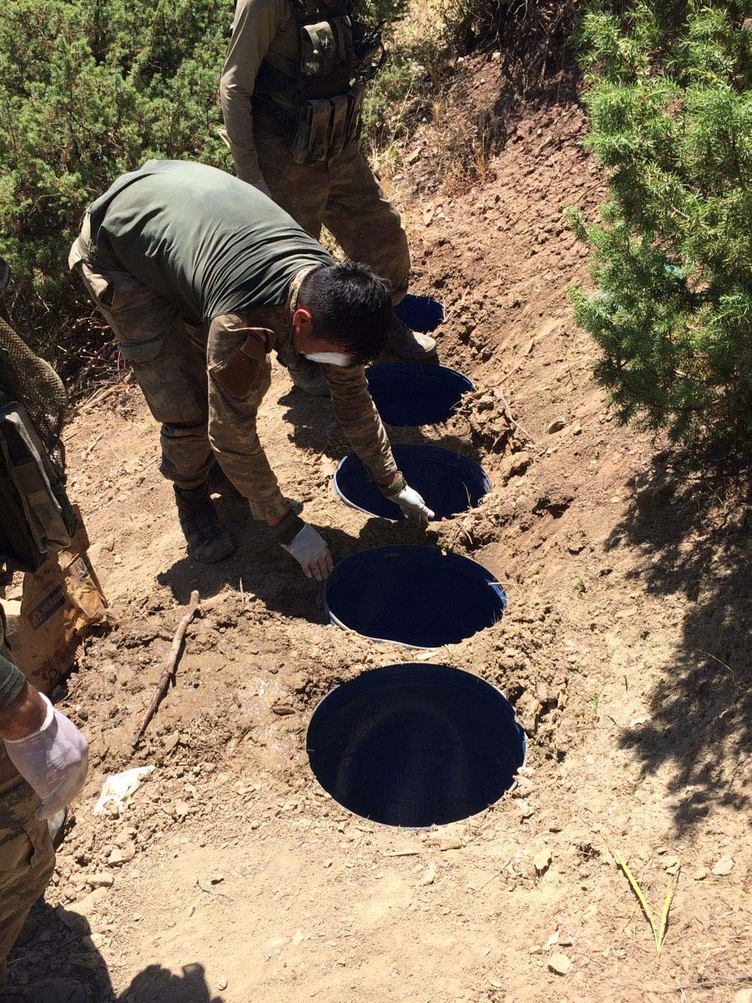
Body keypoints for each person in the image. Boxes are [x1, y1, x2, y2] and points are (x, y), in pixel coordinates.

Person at [69, 160, 434, 574]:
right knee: (189, 406)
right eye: (334, 357)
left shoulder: (333, 294)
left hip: (182, 225)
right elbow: (230, 432)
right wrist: (285, 525)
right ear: (300, 321)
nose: (337, 367)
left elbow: (352, 396)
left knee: (223, 383)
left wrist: (393, 482)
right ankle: (192, 500)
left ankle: (226, 477)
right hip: (117, 250)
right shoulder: (241, 321)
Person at [219, 0, 436, 394]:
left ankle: (381, 323)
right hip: (283, 154)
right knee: (291, 266)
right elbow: (234, 87)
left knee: (382, 234)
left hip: (338, 144)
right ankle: (299, 356)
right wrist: (251, 178)